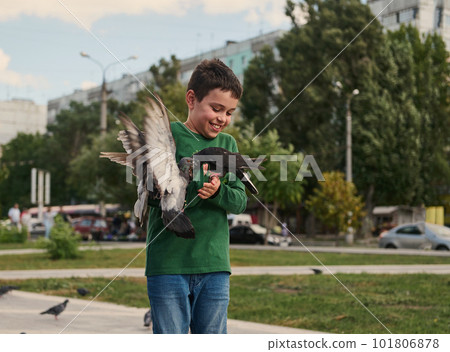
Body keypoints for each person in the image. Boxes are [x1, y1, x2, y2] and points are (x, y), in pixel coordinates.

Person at [146, 59, 247, 334]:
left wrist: (217, 192)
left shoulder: (228, 144)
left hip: (214, 265)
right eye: (216, 108)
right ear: (191, 99)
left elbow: (240, 200)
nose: (222, 118)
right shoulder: (169, 136)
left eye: (229, 112)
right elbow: (150, 196)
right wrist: (167, 185)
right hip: (168, 264)